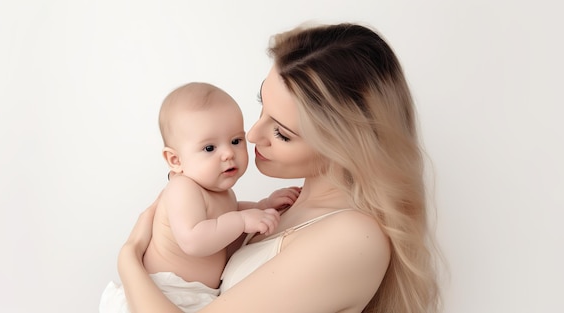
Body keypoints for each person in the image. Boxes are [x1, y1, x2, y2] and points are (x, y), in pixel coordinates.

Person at [117, 22, 441, 313]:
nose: (252, 135)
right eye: (262, 105)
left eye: (282, 133)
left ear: (343, 146)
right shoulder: (288, 205)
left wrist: (129, 259)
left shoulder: (353, 237)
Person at [100, 82, 300, 313]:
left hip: (193, 296)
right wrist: (243, 220)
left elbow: (223, 224)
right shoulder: (183, 189)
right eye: (209, 148)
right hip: (164, 292)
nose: (228, 153)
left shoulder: (221, 193)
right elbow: (194, 240)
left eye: (236, 141)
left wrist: (261, 206)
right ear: (175, 161)